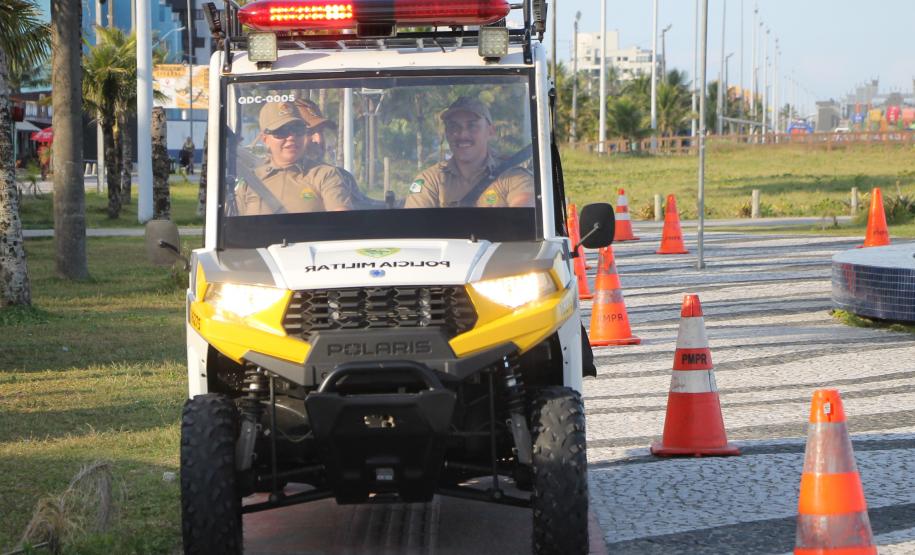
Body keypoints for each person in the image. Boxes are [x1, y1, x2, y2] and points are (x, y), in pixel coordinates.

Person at [405, 96, 534, 209]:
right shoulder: (431, 181)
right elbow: (414, 226)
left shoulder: (512, 176)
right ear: (447, 133)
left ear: (490, 131)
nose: (463, 134)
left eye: (472, 126)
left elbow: (523, 218)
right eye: (454, 126)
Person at [234, 101, 354, 216]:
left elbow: (341, 221)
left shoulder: (324, 175)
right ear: (265, 139)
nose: (292, 137)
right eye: (281, 131)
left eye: (298, 129)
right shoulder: (250, 182)